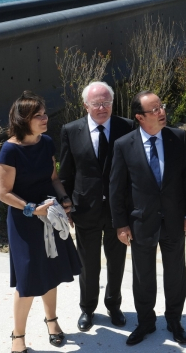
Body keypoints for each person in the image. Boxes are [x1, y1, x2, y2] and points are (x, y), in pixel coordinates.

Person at [0, 91, 81, 353]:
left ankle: (52, 321)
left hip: (50, 214)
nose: (45, 119)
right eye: (38, 116)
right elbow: (2, 193)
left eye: (44, 114)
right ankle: (17, 336)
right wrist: (32, 209)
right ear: (24, 120)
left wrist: (65, 202)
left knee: (51, 271)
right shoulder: (9, 150)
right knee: (28, 280)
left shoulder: (46, 143)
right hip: (25, 222)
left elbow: (53, 178)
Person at [110, 91, 186, 346]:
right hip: (140, 223)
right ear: (139, 117)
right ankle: (146, 321)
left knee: (176, 274)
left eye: (162, 106)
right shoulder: (124, 145)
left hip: (174, 220)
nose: (161, 112)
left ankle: (174, 320)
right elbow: (117, 188)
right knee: (143, 276)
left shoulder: (177, 137)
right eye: (154, 109)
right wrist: (121, 224)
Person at [59, 81, 134, 331]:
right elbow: (66, 172)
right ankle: (87, 308)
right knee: (88, 263)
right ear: (85, 105)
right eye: (96, 103)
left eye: (106, 103)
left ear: (112, 103)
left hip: (118, 211)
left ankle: (113, 305)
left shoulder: (127, 128)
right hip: (85, 209)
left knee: (117, 261)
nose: (102, 107)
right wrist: (66, 204)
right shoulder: (71, 130)